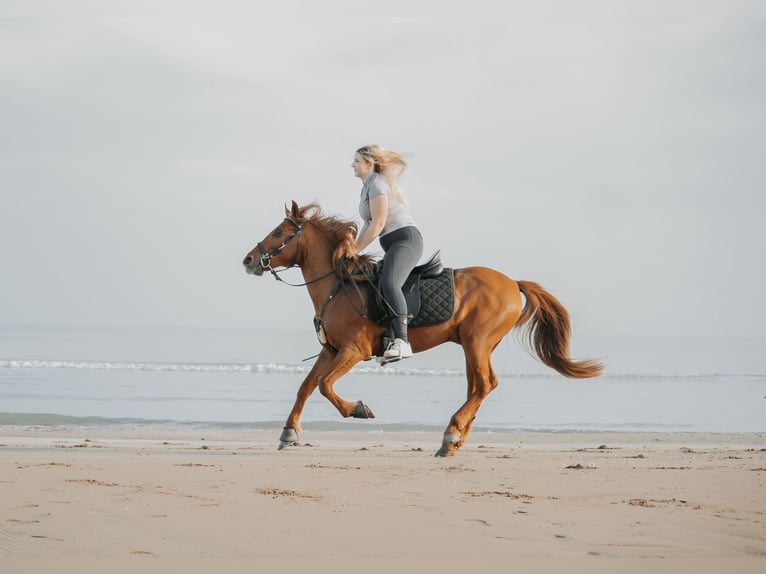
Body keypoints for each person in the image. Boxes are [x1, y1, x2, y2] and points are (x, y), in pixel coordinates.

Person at [352, 144, 424, 363]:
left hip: (405, 239)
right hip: (392, 243)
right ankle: (386, 339)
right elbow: (368, 223)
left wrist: (355, 249)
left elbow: (379, 223)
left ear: (368, 163)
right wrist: (353, 250)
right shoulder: (367, 186)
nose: (352, 165)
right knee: (377, 284)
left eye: (356, 161)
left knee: (389, 283)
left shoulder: (378, 184)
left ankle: (403, 342)